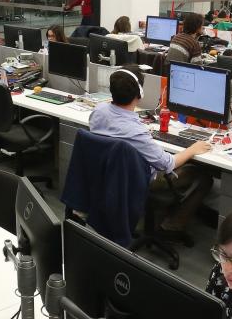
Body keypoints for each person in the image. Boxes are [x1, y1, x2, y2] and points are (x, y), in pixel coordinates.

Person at [88, 66, 214, 236]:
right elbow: (167, 164)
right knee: (204, 176)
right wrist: (192, 149)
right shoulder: (135, 131)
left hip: (109, 174)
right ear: (140, 93)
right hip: (139, 179)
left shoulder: (98, 111)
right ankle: (171, 226)